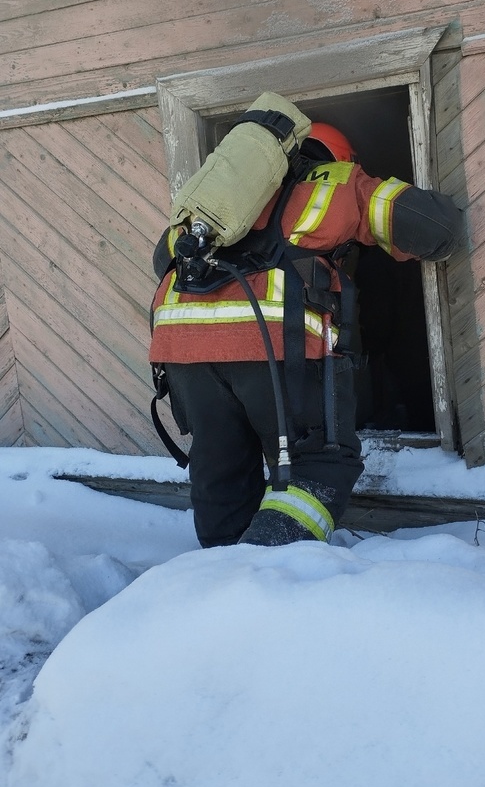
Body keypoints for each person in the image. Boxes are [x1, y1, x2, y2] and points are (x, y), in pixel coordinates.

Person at [149, 114, 463, 549]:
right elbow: (437, 230)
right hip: (276, 347)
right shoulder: (340, 183)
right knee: (319, 466)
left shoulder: (211, 202)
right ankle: (267, 556)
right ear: (338, 158)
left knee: (221, 466)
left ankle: (223, 570)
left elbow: (161, 262)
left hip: (181, 350)